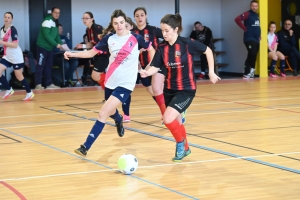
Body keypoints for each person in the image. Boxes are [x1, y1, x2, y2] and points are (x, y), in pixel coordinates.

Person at [64, 9, 155, 157]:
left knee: (103, 113)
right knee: (111, 111)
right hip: (111, 82)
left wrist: (149, 68)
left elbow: (151, 50)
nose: (119, 26)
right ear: (112, 25)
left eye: (121, 23)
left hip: (126, 84)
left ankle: (85, 146)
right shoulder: (109, 39)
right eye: (115, 23)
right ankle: (118, 120)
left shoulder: (136, 38)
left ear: (126, 23)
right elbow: (90, 53)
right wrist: (72, 54)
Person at [140, 13, 220, 161]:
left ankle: (180, 144)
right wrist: (146, 72)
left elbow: (208, 50)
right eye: (162, 31)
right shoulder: (162, 47)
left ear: (176, 29)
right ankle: (186, 148)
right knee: (176, 122)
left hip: (186, 90)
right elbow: (155, 66)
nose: (163, 34)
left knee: (168, 118)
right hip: (169, 89)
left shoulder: (187, 43)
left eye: (166, 31)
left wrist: (211, 71)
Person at [133, 7, 187, 124]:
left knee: (159, 89)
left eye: (142, 15)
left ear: (146, 16)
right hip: (142, 66)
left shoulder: (153, 30)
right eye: (137, 15)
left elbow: (171, 37)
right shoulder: (133, 33)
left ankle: (171, 114)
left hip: (158, 64)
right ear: (134, 18)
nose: (140, 17)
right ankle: (170, 111)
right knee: (153, 91)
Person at [0, 12, 34, 100]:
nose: (7, 19)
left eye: (9, 17)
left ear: (12, 19)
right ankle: (8, 89)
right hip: (7, 56)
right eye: (5, 17)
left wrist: (2, 42)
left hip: (16, 56)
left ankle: (29, 92)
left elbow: (15, 45)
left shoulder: (13, 29)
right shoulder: (2, 29)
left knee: (19, 76)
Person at [75, 12, 106, 86]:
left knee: (96, 75)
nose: (84, 20)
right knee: (96, 76)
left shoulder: (97, 28)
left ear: (92, 19)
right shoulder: (87, 30)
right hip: (96, 55)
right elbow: (91, 43)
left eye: (87, 18)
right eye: (83, 18)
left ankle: (111, 84)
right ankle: (108, 87)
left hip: (104, 54)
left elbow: (101, 43)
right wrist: (83, 46)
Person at [35, 7, 62, 89]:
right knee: (40, 65)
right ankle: (38, 84)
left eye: (58, 13)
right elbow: (47, 36)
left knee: (48, 66)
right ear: (52, 13)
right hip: (42, 47)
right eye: (55, 12)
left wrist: (61, 45)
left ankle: (48, 84)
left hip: (50, 49)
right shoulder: (47, 21)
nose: (57, 14)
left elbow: (56, 36)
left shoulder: (55, 22)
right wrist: (56, 44)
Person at [235, 0, 261, 79]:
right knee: (252, 53)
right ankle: (251, 71)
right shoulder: (247, 14)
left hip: (256, 39)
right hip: (249, 38)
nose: (254, 7)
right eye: (253, 6)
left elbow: (257, 26)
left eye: (256, 6)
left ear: (258, 7)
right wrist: (244, 28)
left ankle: (247, 73)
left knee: (252, 54)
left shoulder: (257, 15)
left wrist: (259, 35)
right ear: (250, 6)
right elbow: (237, 19)